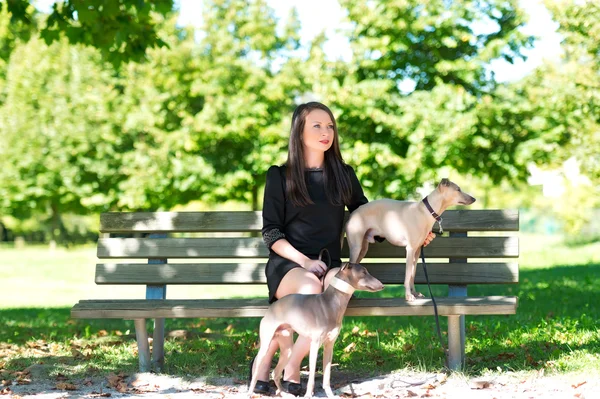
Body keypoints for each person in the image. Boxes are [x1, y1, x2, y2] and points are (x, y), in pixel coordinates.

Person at [251, 102, 435, 396]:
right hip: (289, 264)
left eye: (330, 126)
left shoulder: (343, 175)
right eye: (317, 126)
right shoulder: (279, 176)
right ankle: (277, 370)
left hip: (331, 262)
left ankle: (291, 365)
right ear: (299, 132)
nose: (326, 133)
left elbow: (367, 216)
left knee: (338, 289)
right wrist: (304, 261)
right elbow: (271, 233)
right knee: (312, 289)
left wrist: (413, 233)